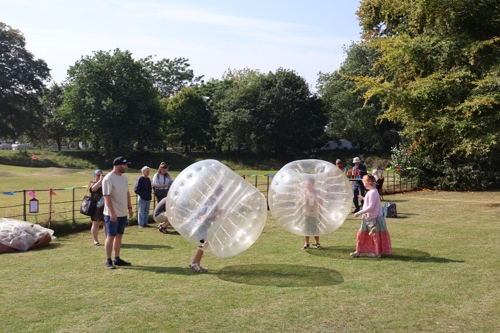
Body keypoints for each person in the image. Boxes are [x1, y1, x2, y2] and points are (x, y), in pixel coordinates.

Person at [102, 156, 134, 269]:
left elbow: (127, 193)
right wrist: (112, 213)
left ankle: (117, 258)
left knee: (119, 236)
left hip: (123, 213)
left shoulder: (124, 177)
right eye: (125, 165)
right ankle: (108, 260)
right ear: (118, 165)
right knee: (111, 236)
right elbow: (106, 196)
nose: (126, 167)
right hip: (112, 214)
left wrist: (129, 207)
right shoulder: (108, 178)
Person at [350, 174, 392, 258]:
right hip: (368, 218)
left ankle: (376, 253)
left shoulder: (373, 192)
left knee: (374, 235)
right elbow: (370, 202)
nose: (363, 184)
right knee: (363, 234)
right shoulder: (372, 191)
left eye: (364, 182)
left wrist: (359, 212)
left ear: (369, 182)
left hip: (373, 219)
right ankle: (359, 251)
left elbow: (371, 207)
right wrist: (363, 198)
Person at [189, 185, 225, 273]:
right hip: (198, 224)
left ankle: (196, 263)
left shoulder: (213, 200)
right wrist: (221, 211)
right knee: (205, 243)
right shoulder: (211, 200)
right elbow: (208, 214)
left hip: (201, 225)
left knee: (205, 243)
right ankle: (193, 263)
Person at [298, 177, 323, 250]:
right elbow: (299, 202)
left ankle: (317, 243)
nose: (307, 186)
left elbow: (321, 202)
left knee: (315, 229)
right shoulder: (304, 192)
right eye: (306, 184)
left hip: (315, 213)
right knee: (306, 229)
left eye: (308, 184)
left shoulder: (317, 192)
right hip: (305, 213)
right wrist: (303, 197)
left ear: (313, 184)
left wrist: (316, 199)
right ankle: (306, 243)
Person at [89, 169, 107, 246]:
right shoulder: (92, 183)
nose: (100, 177)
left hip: (106, 206)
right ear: (94, 176)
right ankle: (95, 241)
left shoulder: (105, 183)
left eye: (101, 175)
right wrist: (100, 181)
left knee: (106, 223)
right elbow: (93, 189)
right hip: (96, 207)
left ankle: (108, 240)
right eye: (98, 175)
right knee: (96, 223)